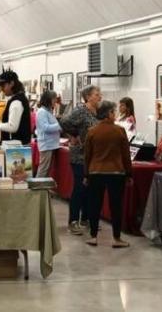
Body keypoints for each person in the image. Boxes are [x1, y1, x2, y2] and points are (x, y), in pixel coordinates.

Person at [84, 100, 132, 248]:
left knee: (94, 204)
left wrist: (86, 175)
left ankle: (93, 236)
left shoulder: (92, 131)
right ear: (109, 113)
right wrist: (129, 174)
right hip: (116, 172)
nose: (115, 114)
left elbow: (87, 155)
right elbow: (126, 155)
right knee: (116, 206)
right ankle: (116, 238)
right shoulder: (119, 131)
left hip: (96, 171)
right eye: (114, 111)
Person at [60, 85, 101, 235]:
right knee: (79, 188)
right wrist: (74, 135)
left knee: (89, 188)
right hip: (79, 156)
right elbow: (64, 122)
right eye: (97, 94)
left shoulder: (97, 112)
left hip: (93, 156)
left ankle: (86, 218)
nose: (99, 97)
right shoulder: (80, 111)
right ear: (88, 97)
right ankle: (73, 221)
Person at [0, 70, 31, 145]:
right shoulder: (18, 99)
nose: (1, 89)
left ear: (11, 83)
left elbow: (12, 127)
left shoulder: (16, 102)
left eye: (3, 86)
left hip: (16, 148)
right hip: (18, 146)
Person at [36, 90, 61, 178]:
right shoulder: (42, 112)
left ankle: (43, 189)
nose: (55, 101)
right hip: (46, 144)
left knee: (46, 170)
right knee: (43, 170)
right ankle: (38, 189)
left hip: (50, 144)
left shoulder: (48, 111)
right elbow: (45, 128)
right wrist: (59, 125)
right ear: (48, 100)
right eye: (54, 99)